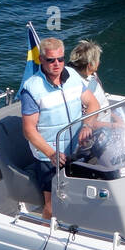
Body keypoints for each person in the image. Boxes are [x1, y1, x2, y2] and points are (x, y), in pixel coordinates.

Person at [21, 37, 100, 218]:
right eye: (51, 60)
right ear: (41, 60)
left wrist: (87, 125)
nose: (57, 64)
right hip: (49, 157)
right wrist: (51, 154)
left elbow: (93, 104)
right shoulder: (32, 89)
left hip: (76, 149)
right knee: (52, 204)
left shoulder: (72, 76)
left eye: (60, 59)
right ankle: (45, 234)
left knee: (82, 195)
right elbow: (29, 130)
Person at [69, 39, 108, 112]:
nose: (99, 62)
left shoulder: (91, 75)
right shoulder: (81, 88)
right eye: (98, 60)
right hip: (101, 121)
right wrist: (114, 124)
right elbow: (87, 119)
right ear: (90, 65)